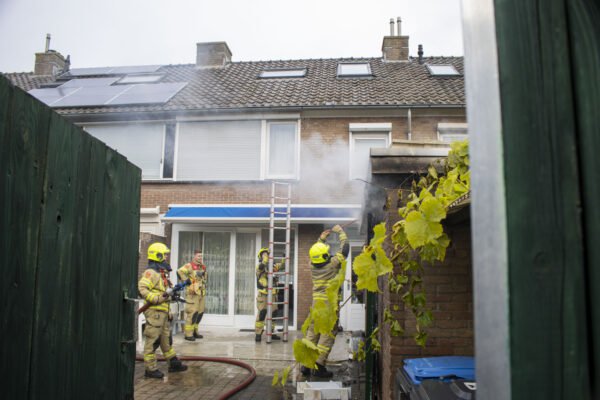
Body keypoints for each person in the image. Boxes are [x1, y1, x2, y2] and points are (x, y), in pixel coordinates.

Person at [302, 224, 348, 378]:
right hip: (329, 305)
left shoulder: (312, 265)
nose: (329, 253)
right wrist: (340, 232)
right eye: (327, 252)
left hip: (316, 305)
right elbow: (345, 249)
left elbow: (317, 253)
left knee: (312, 332)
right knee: (327, 334)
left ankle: (306, 365)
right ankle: (319, 366)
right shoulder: (332, 265)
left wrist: (321, 239)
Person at [138, 242, 188, 379]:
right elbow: (142, 289)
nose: (166, 257)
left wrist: (168, 311)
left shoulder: (161, 273)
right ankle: (150, 369)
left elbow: (164, 292)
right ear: (157, 255)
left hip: (163, 312)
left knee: (166, 340)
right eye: (164, 254)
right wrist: (155, 298)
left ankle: (173, 363)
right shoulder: (151, 273)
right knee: (152, 341)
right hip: (154, 312)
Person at [177, 249, 208, 341]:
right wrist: (187, 281)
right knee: (193, 313)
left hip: (201, 293)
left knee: (200, 313)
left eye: (201, 256)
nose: (200, 257)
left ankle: (195, 331)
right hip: (192, 294)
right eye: (198, 256)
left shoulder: (202, 267)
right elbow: (179, 271)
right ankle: (188, 334)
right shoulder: (189, 265)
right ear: (194, 256)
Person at [255, 247, 282, 342]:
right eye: (264, 254)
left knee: (274, 314)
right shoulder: (259, 267)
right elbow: (262, 267)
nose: (267, 255)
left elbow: (281, 266)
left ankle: (271, 332)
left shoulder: (272, 267)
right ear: (261, 256)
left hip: (273, 294)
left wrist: (284, 259)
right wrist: (265, 258)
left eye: (268, 254)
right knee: (262, 313)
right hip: (263, 295)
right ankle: (258, 333)